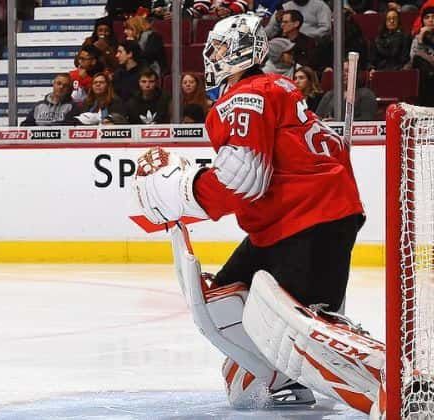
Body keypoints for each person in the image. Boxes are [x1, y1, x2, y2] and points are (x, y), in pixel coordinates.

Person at [133, 13, 382, 415]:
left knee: (306, 327)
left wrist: (183, 190)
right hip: (292, 221)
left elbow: (243, 177)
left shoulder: (249, 94)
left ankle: (383, 378)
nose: (210, 57)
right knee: (224, 300)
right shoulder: (271, 89)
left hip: (311, 221)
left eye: (216, 49)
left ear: (237, 51)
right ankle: (286, 380)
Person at [409, 6, 434, 106]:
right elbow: (413, 57)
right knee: (419, 62)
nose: (430, 20)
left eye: (433, 17)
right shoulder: (417, 37)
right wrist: (421, 38)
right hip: (426, 76)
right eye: (427, 17)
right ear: (423, 21)